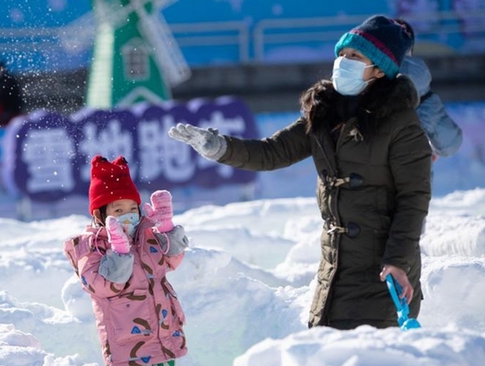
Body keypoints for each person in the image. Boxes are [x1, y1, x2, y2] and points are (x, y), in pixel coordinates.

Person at [168, 15, 432, 330]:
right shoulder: (323, 112)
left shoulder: (401, 123)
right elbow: (270, 152)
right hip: (334, 271)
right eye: (342, 55)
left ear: (379, 69)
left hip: (384, 273)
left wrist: (398, 262)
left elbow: (413, 200)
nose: (343, 63)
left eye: (355, 57)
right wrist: (217, 146)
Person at [63, 155, 189, 366]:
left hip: (164, 335)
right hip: (129, 349)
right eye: (118, 211)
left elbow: (171, 261)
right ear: (99, 215)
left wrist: (167, 229)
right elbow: (103, 286)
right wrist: (119, 253)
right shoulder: (90, 247)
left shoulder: (146, 235)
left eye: (133, 208)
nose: (128, 215)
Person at [395, 18, 463, 160]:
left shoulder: (365, 82)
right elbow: (451, 143)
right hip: (416, 175)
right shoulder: (425, 98)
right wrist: (431, 146)